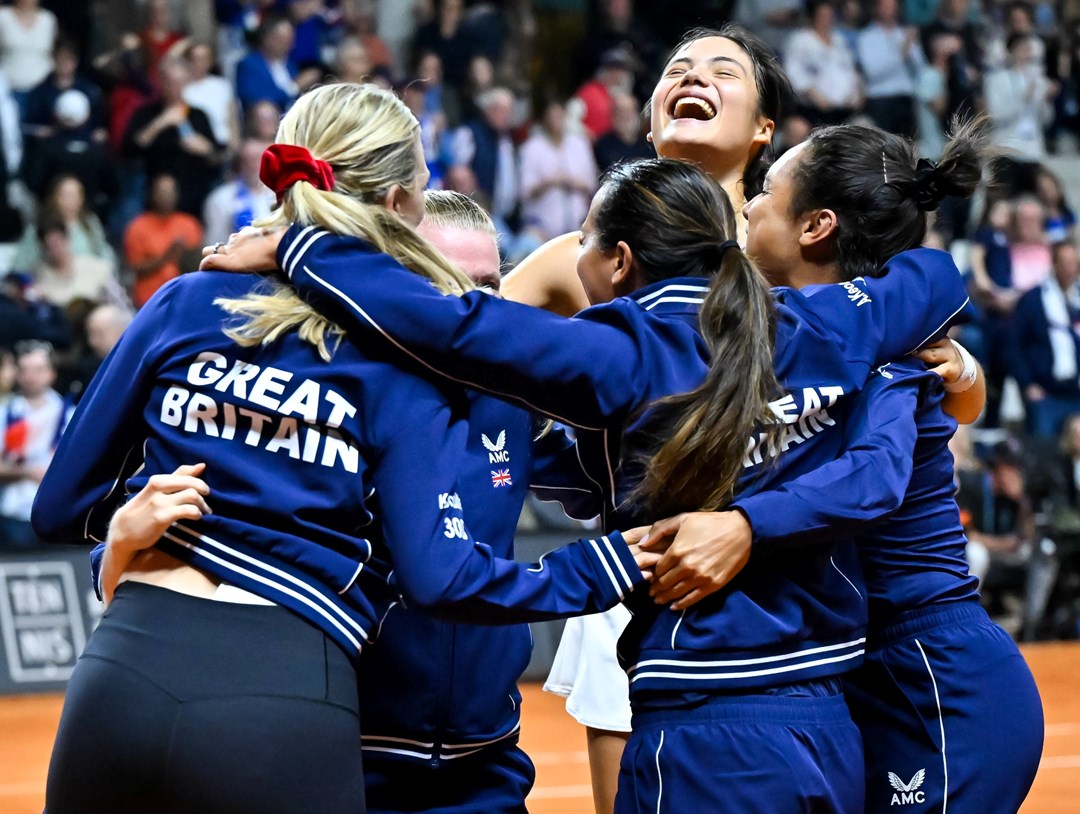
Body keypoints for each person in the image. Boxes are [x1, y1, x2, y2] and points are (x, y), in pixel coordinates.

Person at [204, 146, 972, 813]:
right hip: (830, 719)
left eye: (583, 240)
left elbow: (457, 329)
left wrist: (300, 250)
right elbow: (935, 276)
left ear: (619, 263)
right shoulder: (823, 321)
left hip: (708, 722)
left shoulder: (619, 353)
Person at [32, 82, 651, 814]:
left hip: (124, 670)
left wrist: (119, 539)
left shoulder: (185, 301)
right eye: (422, 184)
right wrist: (604, 566)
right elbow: (441, 578)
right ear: (395, 206)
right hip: (286, 686)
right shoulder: (406, 368)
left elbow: (59, 509)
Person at [638, 121, 1043, 813]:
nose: (750, 205)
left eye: (766, 191)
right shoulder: (800, 335)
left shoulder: (888, 343)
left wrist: (743, 524)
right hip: (855, 671)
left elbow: (871, 478)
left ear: (816, 226)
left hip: (928, 667)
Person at [503, 24, 787, 317]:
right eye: (676, 73)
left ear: (763, 129)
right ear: (650, 129)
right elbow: (468, 325)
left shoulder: (782, 252)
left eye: (724, 73)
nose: (693, 77)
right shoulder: (578, 257)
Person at [0, 340, 70, 549]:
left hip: (55, 511)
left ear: (52, 373)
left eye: (39, 369)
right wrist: (25, 472)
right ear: (17, 374)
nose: (31, 377)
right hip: (12, 512)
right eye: (25, 370)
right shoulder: (5, 413)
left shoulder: (69, 414)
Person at [1009, 241, 1080, 438]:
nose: (1070, 268)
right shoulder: (1033, 299)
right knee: (1044, 452)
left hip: (1076, 390)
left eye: (1074, 262)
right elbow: (1014, 346)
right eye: (1065, 262)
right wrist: (1027, 384)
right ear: (1054, 264)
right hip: (1045, 392)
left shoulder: (1077, 299)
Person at [123, 173, 205, 308]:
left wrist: (185, 257)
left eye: (170, 191)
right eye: (162, 192)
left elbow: (199, 263)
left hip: (185, 298)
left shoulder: (189, 224)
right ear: (152, 194)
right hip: (150, 301)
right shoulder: (137, 226)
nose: (166, 196)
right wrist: (165, 257)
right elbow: (136, 268)